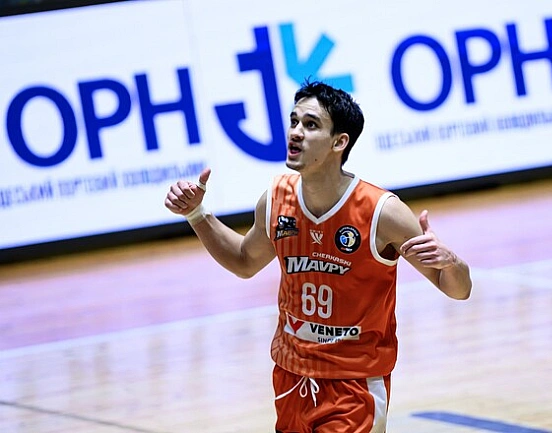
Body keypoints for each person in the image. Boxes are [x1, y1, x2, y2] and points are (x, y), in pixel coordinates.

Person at [164, 80, 472, 433]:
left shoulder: (382, 212)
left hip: (353, 384)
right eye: (294, 121)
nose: (296, 132)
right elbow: (244, 262)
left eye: (310, 125)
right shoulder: (275, 199)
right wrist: (197, 214)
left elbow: (458, 289)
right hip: (290, 375)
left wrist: (451, 262)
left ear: (339, 142)